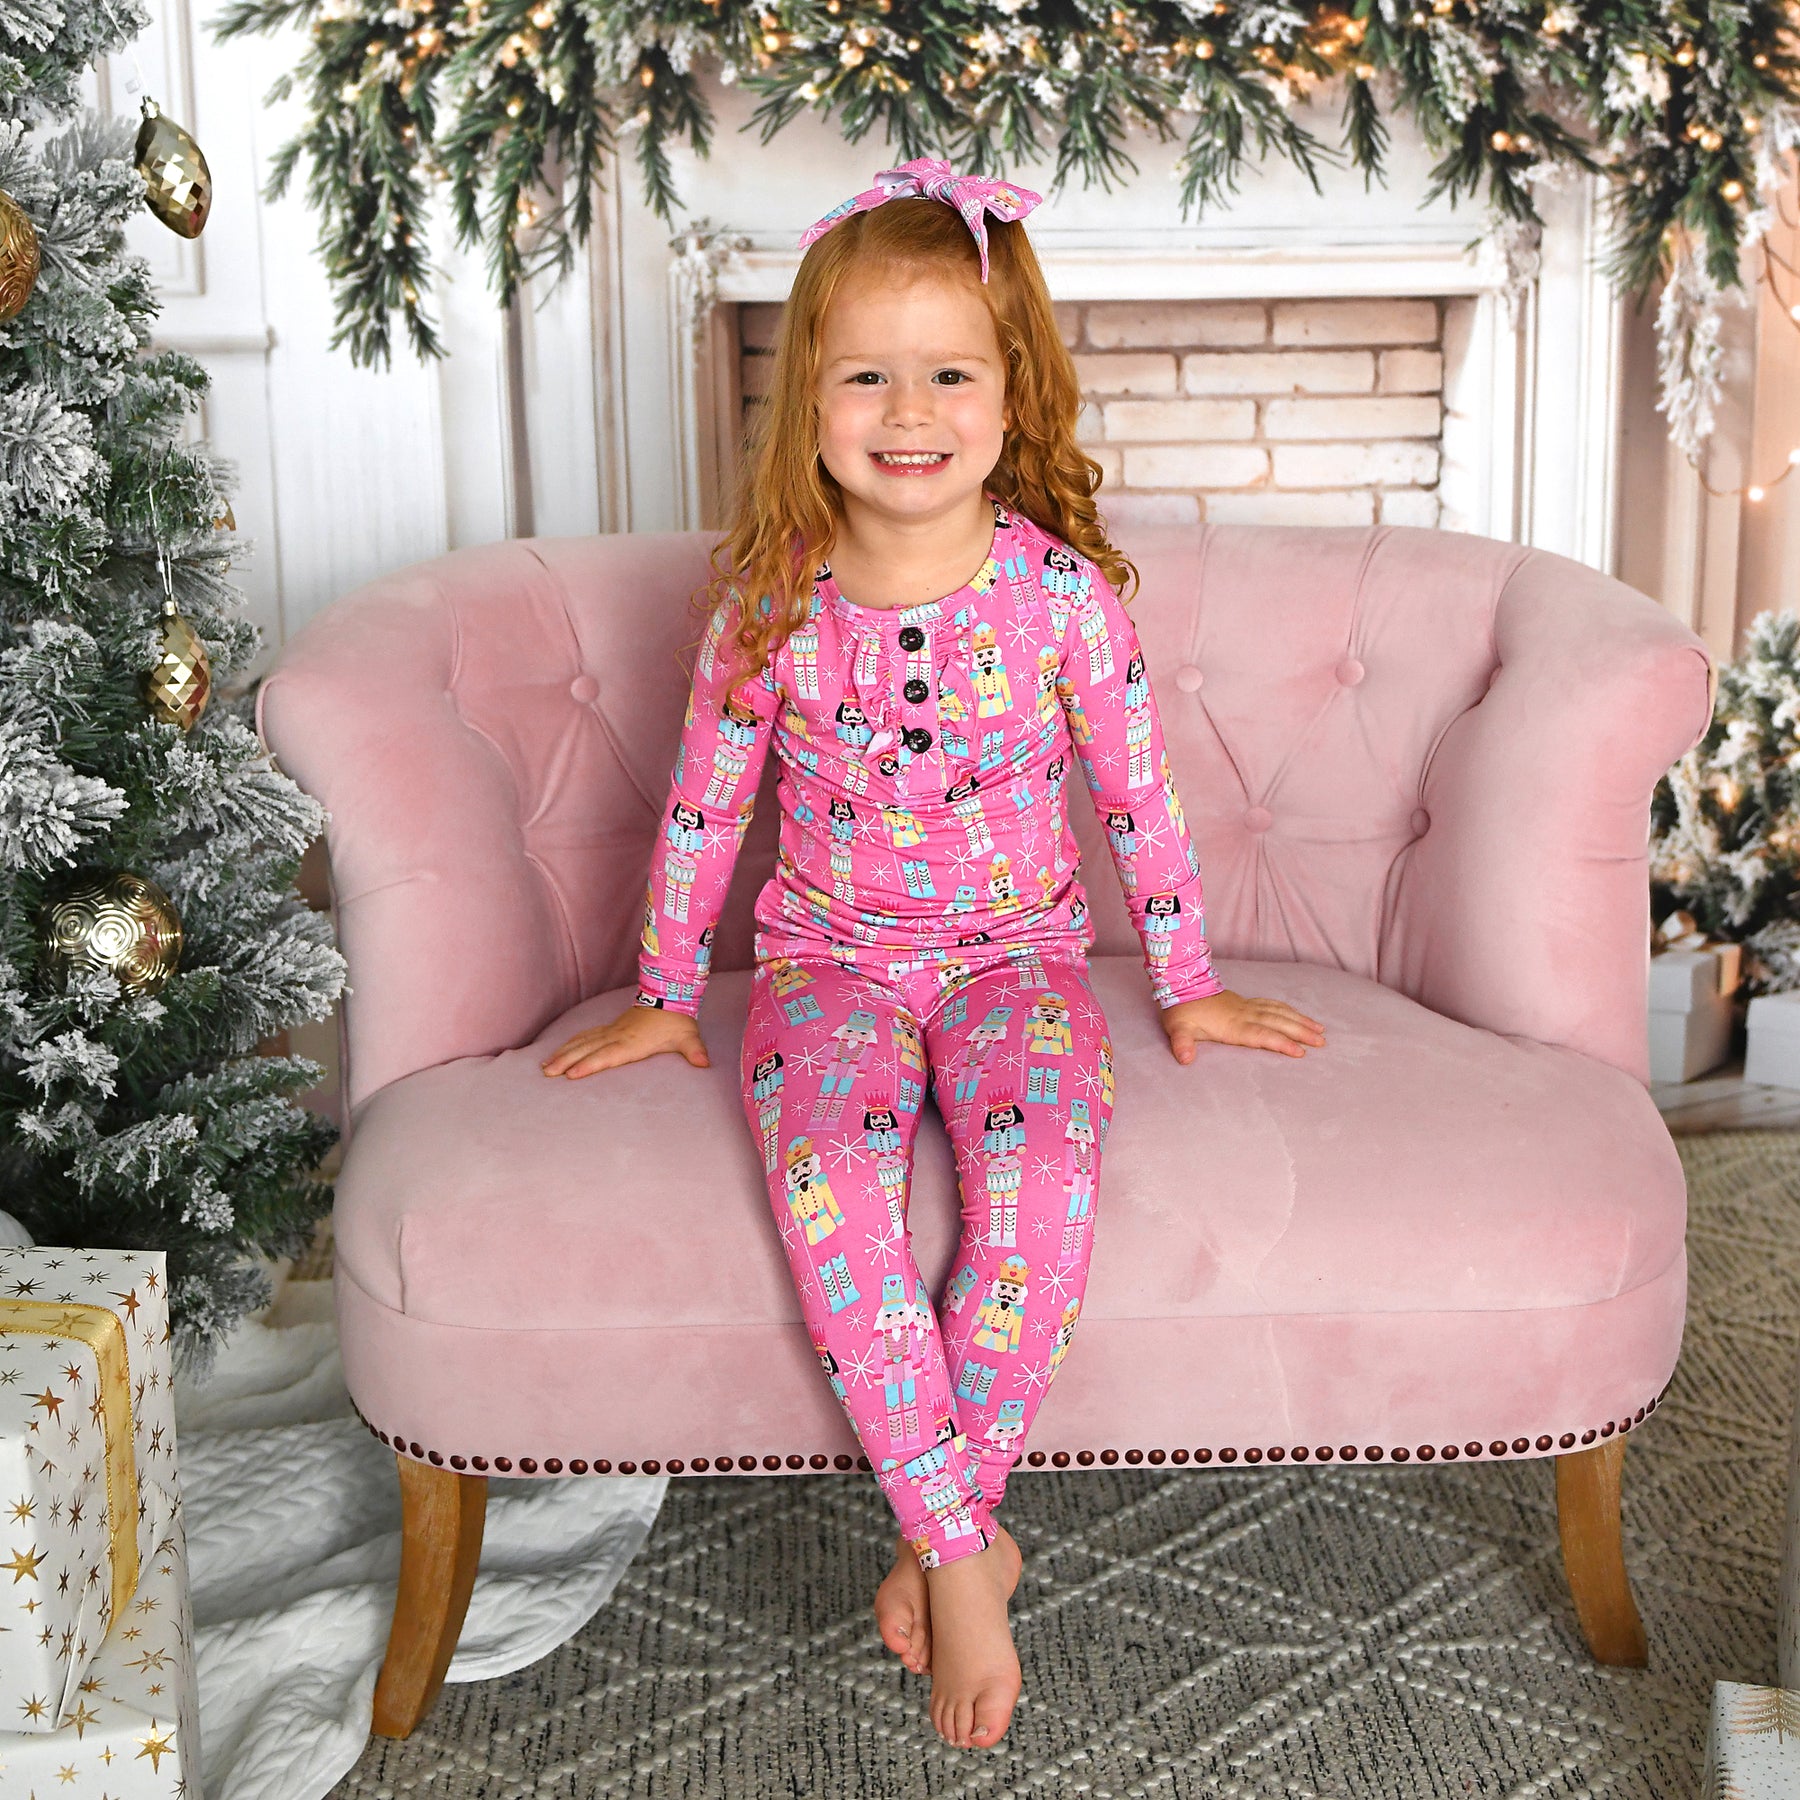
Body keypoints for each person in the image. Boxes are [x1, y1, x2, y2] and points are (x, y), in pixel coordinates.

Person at [541, 157, 1328, 1754]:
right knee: (833, 1181)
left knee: (1039, 1180)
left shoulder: (1062, 600)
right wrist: (666, 993)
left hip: (1017, 967)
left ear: (1012, 390)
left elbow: (1140, 799)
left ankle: (935, 1530)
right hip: (822, 967)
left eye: (951, 373)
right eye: (867, 376)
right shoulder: (768, 601)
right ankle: (967, 1549)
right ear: (808, 401)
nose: (910, 411)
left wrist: (1186, 984)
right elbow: (705, 805)